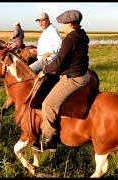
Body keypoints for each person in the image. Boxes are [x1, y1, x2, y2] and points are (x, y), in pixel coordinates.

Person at [34, 10, 90, 152]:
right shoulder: (82, 35)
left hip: (74, 79)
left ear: (71, 24)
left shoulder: (70, 39)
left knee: (48, 104)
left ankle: (49, 139)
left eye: (64, 24)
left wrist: (44, 71)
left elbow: (58, 62)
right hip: (85, 75)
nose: (62, 27)